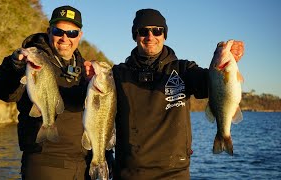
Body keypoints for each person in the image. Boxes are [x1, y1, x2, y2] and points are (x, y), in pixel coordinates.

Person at [85, 8, 244, 179]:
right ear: (135, 36)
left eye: (157, 30)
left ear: (164, 35)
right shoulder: (116, 75)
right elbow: (95, 109)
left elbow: (212, 85)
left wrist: (227, 61)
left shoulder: (183, 70)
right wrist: (87, 79)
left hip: (174, 174)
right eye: (143, 31)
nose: (150, 36)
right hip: (128, 174)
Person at [0, 5, 114, 180]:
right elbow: (2, 91)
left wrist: (105, 157)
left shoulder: (85, 70)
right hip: (45, 164)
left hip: (83, 165)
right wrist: (14, 67)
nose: (65, 38)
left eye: (71, 33)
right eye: (58, 31)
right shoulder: (28, 62)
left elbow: (102, 116)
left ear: (80, 36)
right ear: (49, 31)